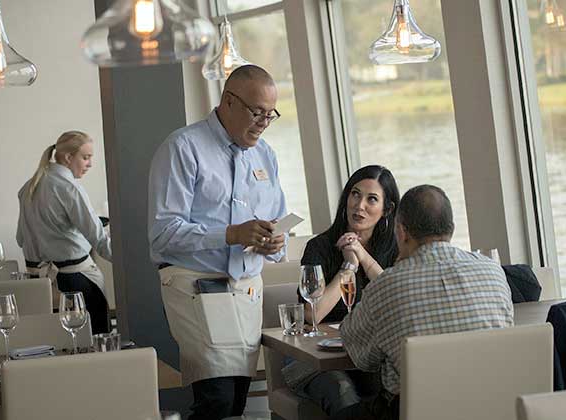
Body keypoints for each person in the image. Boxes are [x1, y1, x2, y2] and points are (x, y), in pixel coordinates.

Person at [148, 65, 287, 420]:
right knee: (218, 400)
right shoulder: (183, 147)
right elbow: (163, 232)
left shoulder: (266, 155)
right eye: (257, 113)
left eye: (270, 115)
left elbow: (279, 223)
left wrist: (275, 243)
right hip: (195, 286)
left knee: (236, 400)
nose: (263, 123)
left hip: (247, 290)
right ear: (229, 101)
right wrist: (231, 234)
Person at [335, 185, 514, 420]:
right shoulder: (493, 271)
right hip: (494, 407)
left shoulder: (387, 285)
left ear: (401, 232)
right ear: (451, 228)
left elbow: (361, 355)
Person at [283, 165, 400, 416]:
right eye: (355, 194)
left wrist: (364, 258)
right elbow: (312, 315)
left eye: (372, 199)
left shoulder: (395, 249)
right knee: (342, 391)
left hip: (370, 356)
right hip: (318, 359)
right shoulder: (320, 247)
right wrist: (349, 266)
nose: (359, 206)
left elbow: (396, 301)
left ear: (387, 209)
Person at [16, 130, 112, 334]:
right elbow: (100, 242)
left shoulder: (28, 187)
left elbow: (20, 238)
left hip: (39, 285)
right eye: (86, 157)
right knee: (92, 345)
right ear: (69, 157)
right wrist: (133, 262)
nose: (90, 164)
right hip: (76, 284)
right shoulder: (70, 188)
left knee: (56, 347)